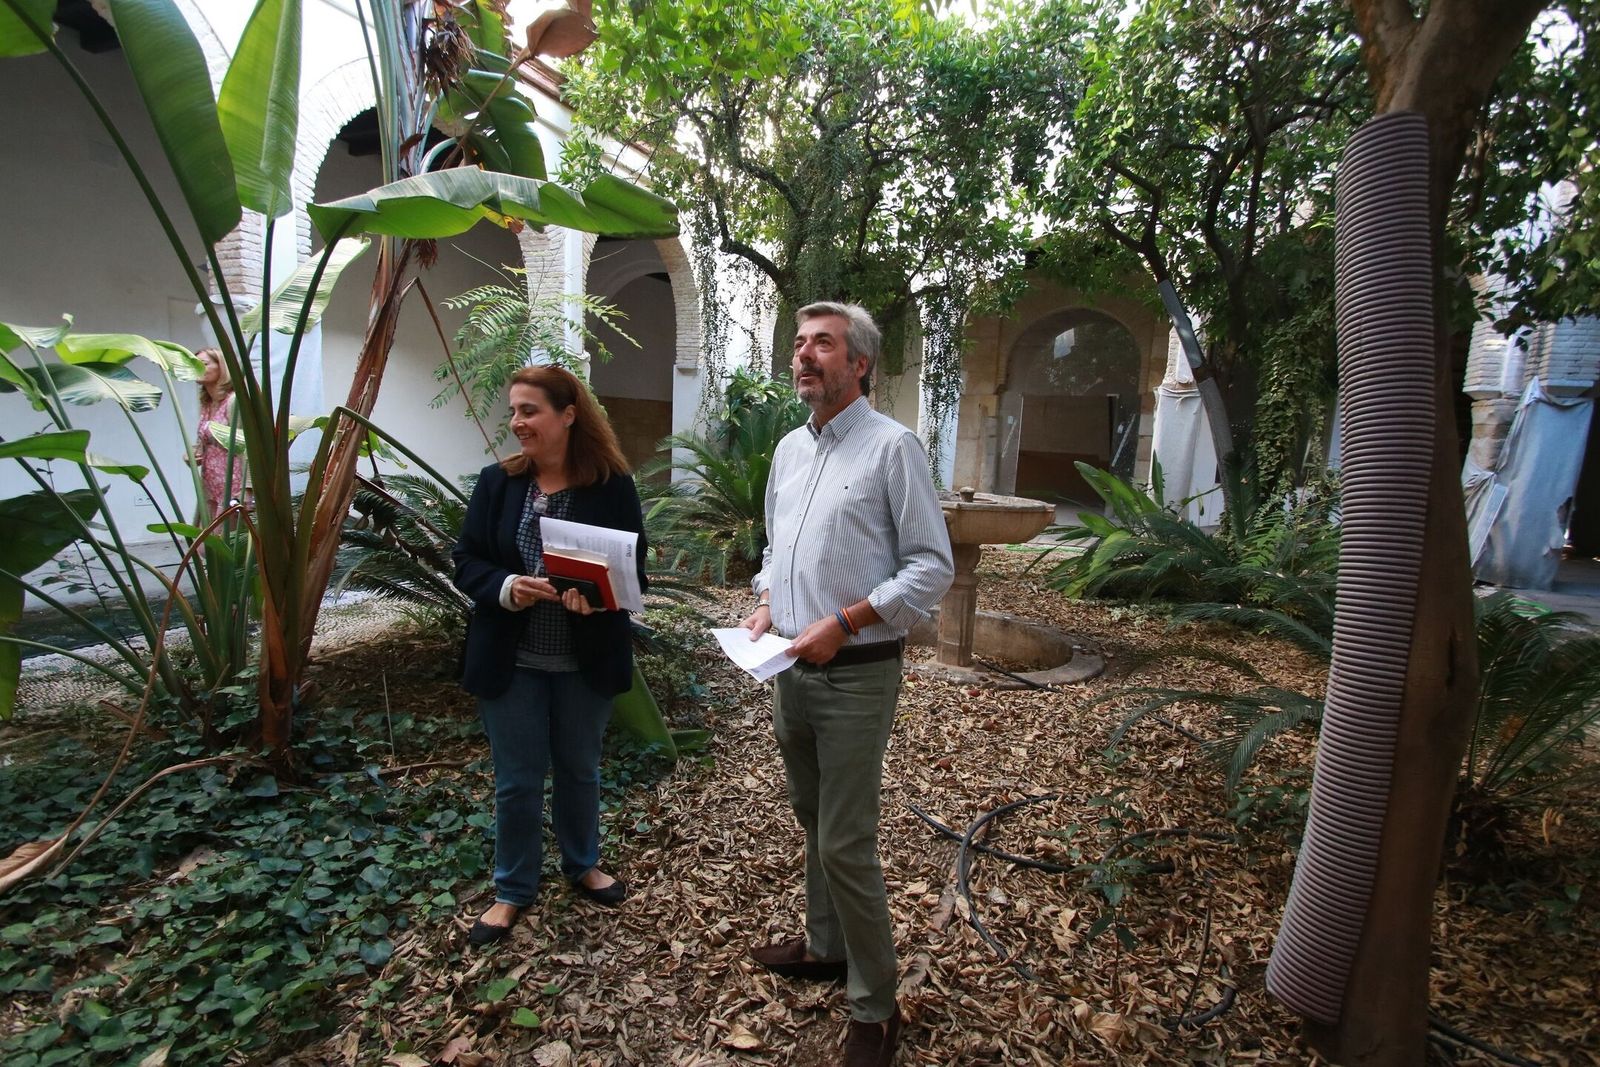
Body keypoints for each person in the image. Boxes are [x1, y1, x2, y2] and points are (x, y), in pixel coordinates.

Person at [740, 302, 954, 1067]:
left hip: (857, 675)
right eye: (799, 343)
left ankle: (876, 1004)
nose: (804, 355)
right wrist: (767, 601)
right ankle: (826, 946)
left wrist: (850, 618)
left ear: (858, 363)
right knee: (812, 816)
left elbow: (932, 566)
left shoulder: (894, 449)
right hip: (787, 669)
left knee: (846, 839)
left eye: (822, 344)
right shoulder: (790, 452)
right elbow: (775, 544)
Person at [452, 364, 647, 947]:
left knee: (579, 770)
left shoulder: (611, 485)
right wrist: (508, 587)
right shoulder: (498, 483)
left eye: (529, 410)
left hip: (583, 659)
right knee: (516, 780)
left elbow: (633, 570)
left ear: (568, 415)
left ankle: (582, 863)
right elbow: (467, 562)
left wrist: (596, 597)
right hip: (511, 659)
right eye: (513, 411)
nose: (517, 422)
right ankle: (512, 888)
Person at [194, 347, 246, 517]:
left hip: (232, 486)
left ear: (221, 367)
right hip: (211, 485)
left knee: (219, 540)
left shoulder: (233, 401)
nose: (197, 368)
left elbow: (246, 444)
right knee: (203, 541)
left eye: (204, 364)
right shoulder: (207, 403)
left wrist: (248, 488)